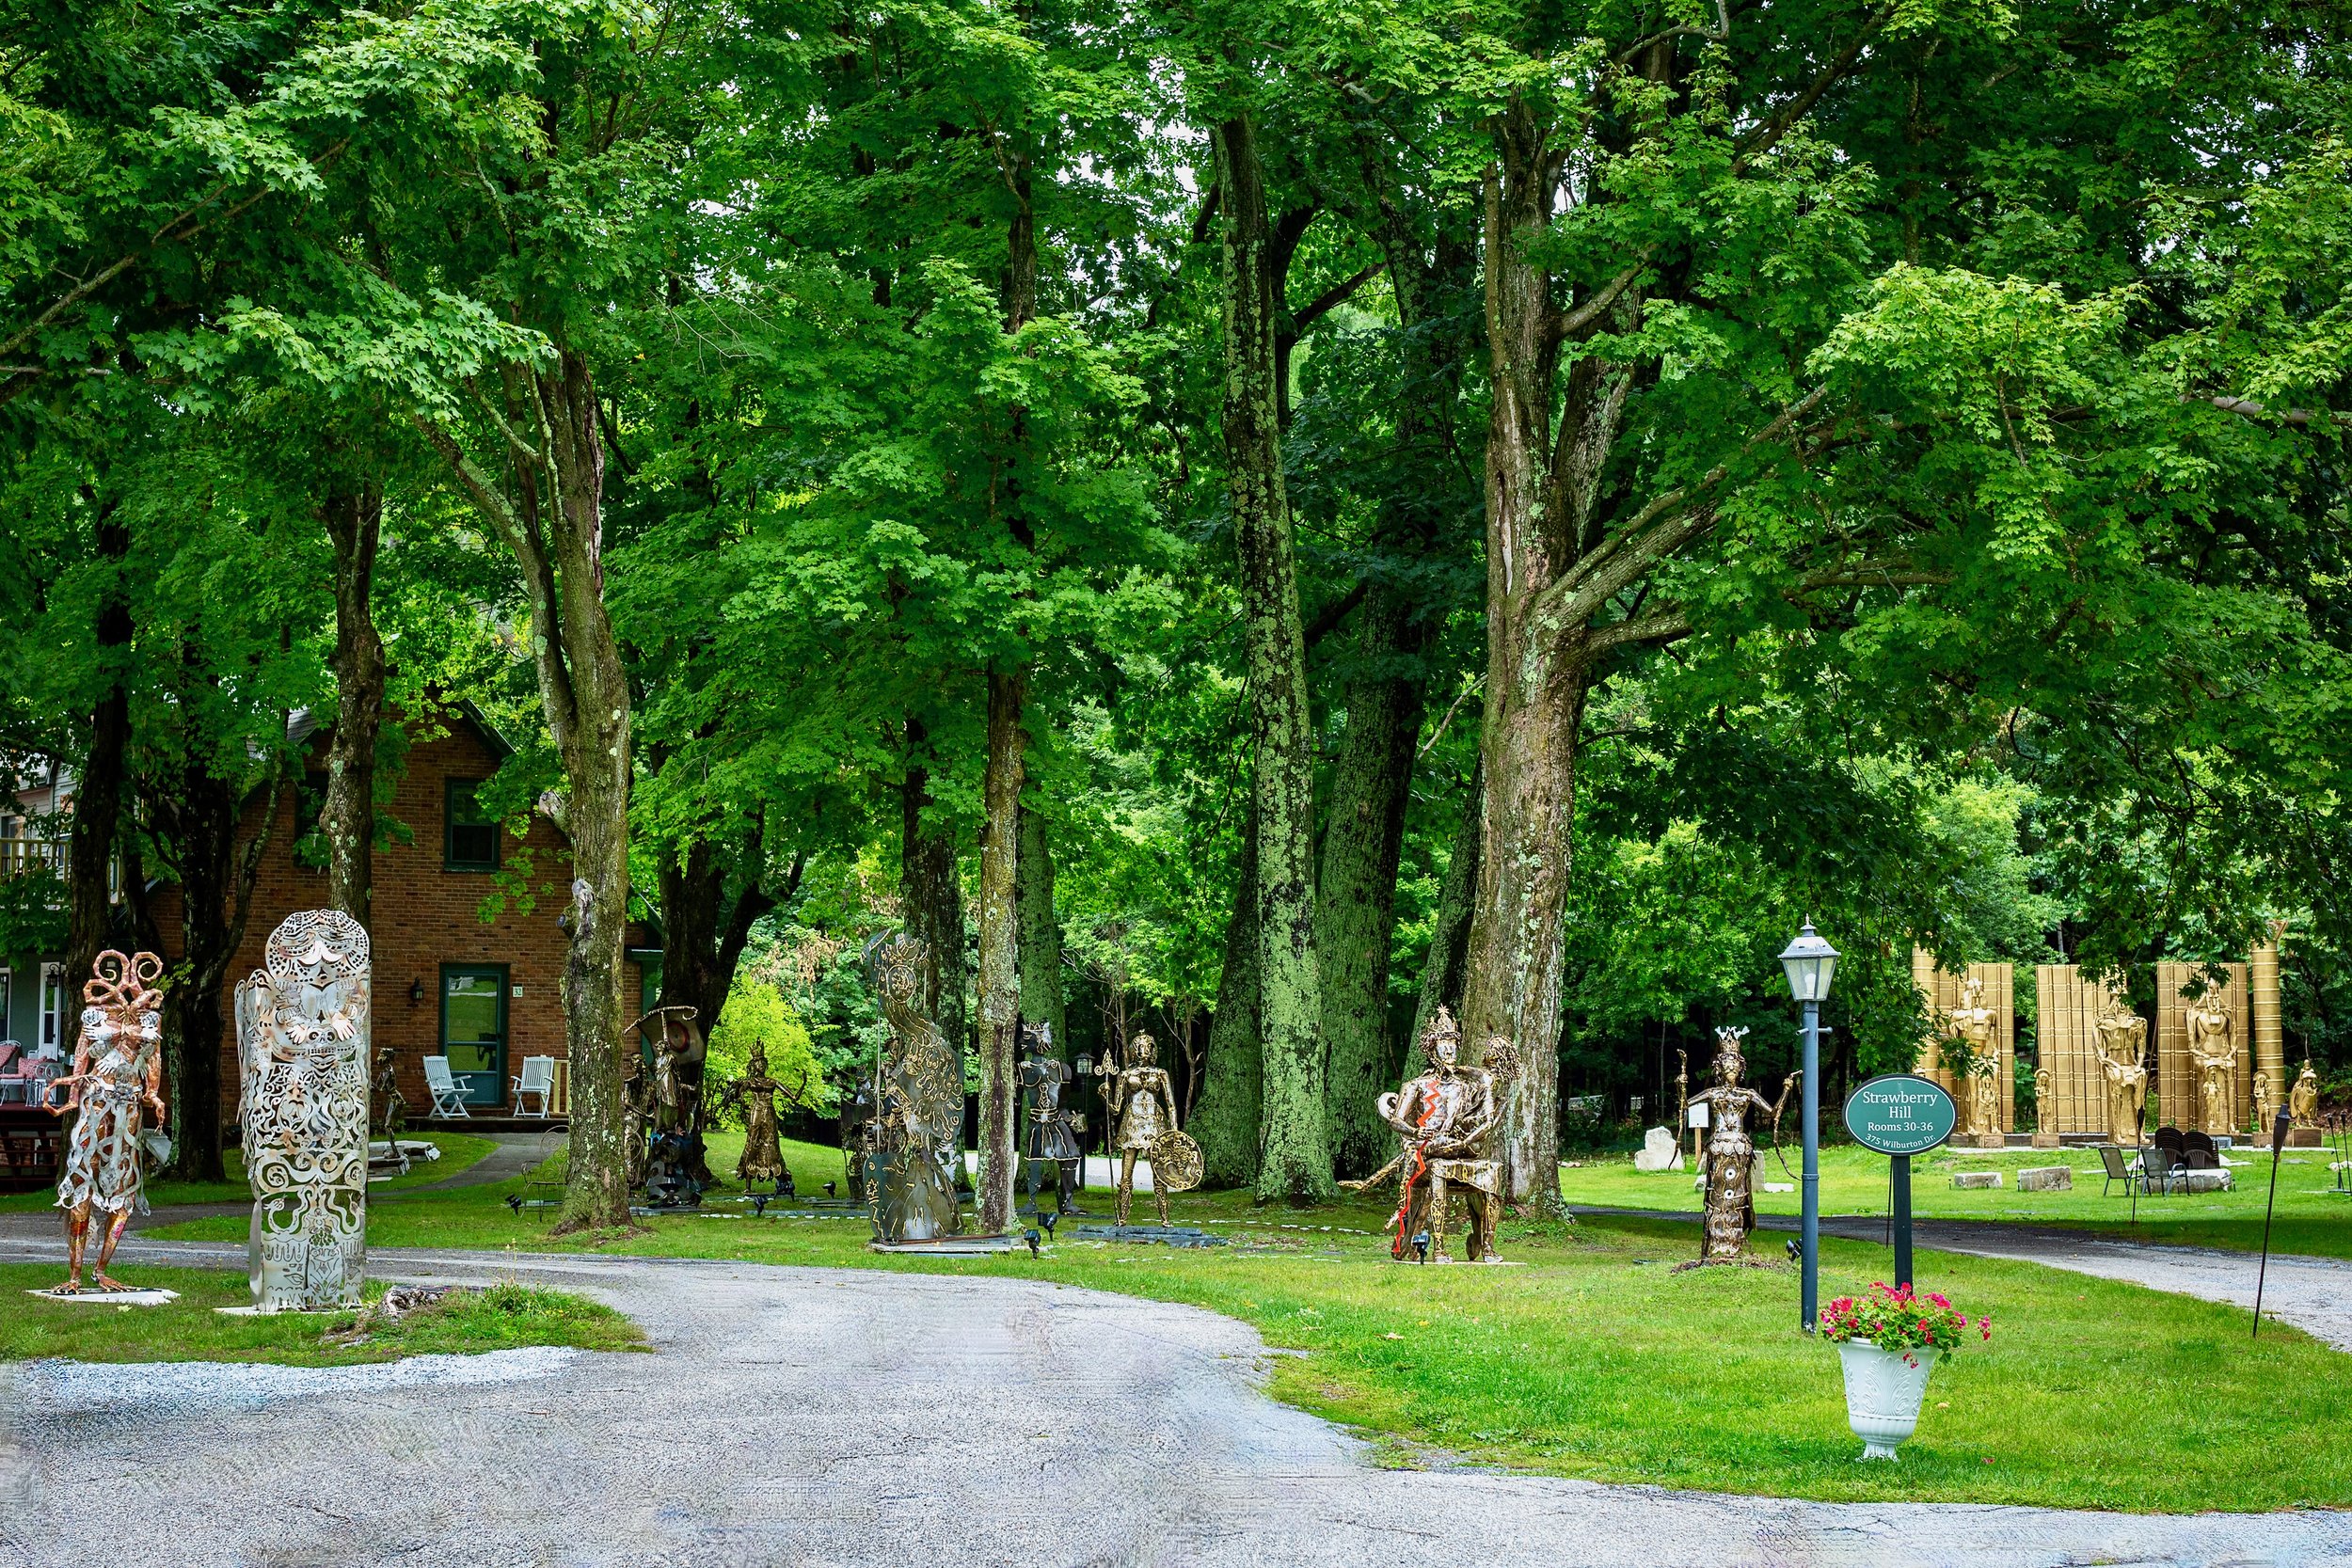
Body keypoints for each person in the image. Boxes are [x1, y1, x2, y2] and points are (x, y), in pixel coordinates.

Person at [1343, 1006, 1514, 1264]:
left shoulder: (1468, 1086)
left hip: (1459, 1150)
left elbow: (1486, 1100)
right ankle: (1438, 1248)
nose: (1449, 1051)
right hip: (1429, 1151)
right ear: (1432, 1049)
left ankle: (1487, 1246)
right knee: (1437, 1172)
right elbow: (1397, 1120)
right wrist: (1415, 1132)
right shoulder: (1416, 1085)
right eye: (1443, 1045)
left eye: (1453, 1045)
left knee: (1491, 1172)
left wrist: (1464, 1139)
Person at [47, 952, 167, 1294]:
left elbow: (155, 1057)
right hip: (96, 1101)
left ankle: (101, 1270)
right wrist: (72, 1091)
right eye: (121, 980)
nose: (128, 984)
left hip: (129, 1107)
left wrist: (153, 1093)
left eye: (134, 981)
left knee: (125, 1188)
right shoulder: (94, 1015)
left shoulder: (150, 1021)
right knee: (84, 1177)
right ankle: (74, 1274)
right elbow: (82, 1053)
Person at [1107, 1033, 1180, 1227]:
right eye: (1140, 1046)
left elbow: (1171, 1104)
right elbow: (1116, 1108)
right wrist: (1104, 1095)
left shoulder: (1160, 1073)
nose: (1143, 1050)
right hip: (1132, 1123)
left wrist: (1174, 1131)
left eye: (1147, 1046)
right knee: (1125, 1175)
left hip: (1155, 1123)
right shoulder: (1125, 1075)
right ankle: (1122, 1217)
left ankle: (1165, 1218)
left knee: (1159, 1173)